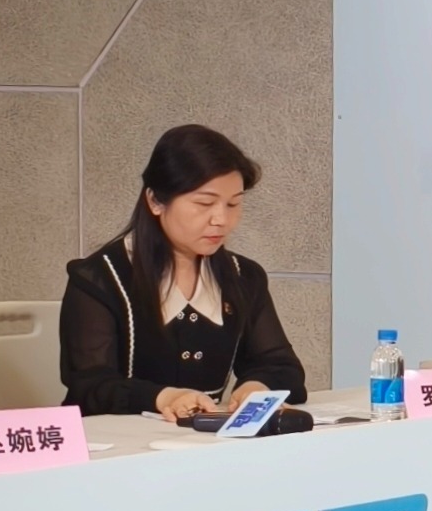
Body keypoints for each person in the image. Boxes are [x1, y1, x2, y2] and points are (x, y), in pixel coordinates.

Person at [61, 124, 308, 422]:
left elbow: (282, 366)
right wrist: (163, 397)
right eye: (204, 203)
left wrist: (257, 387)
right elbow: (89, 386)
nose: (221, 219)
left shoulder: (243, 276)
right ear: (155, 201)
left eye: (233, 204)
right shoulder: (99, 278)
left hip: (200, 443)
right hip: (114, 444)